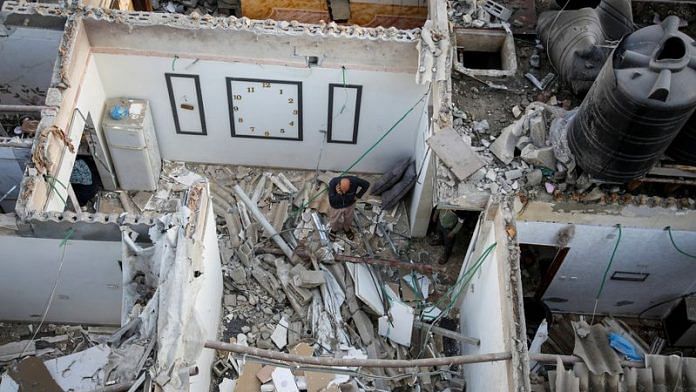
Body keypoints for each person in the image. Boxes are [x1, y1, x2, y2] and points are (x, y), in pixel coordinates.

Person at [327, 175, 370, 240]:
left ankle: (346, 229)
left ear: (350, 184)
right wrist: (339, 194)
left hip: (349, 204)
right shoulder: (333, 183)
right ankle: (333, 230)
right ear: (338, 185)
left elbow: (366, 184)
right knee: (334, 219)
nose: (344, 192)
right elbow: (332, 201)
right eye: (342, 190)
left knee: (348, 218)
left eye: (346, 191)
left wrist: (358, 195)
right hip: (336, 205)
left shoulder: (354, 181)